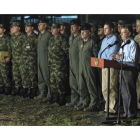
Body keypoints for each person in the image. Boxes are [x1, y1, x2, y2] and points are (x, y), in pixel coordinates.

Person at [112, 24, 139, 119]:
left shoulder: (132, 44)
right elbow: (121, 57)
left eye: (123, 33)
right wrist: (117, 57)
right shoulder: (123, 44)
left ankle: (132, 113)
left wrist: (121, 57)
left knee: (130, 91)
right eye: (121, 33)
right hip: (122, 69)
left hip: (130, 70)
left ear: (129, 33)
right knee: (123, 91)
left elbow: (132, 60)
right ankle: (126, 112)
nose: (121, 35)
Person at [98, 21, 120, 114]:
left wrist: (104, 59)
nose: (105, 30)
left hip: (110, 66)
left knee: (111, 87)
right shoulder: (104, 39)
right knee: (104, 88)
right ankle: (107, 107)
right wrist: (99, 59)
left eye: (106, 28)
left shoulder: (115, 39)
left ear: (111, 29)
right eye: (104, 28)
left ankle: (112, 108)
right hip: (103, 65)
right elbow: (100, 52)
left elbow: (112, 54)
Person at [76, 23, 99, 111]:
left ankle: (93, 104)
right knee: (82, 86)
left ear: (89, 33)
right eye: (81, 32)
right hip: (81, 67)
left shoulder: (92, 42)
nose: (82, 33)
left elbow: (96, 56)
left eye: (84, 32)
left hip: (89, 68)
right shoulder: (80, 43)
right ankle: (85, 102)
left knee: (91, 85)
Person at [47, 23, 68, 106]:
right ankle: (55, 96)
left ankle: (62, 97)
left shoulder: (62, 39)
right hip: (52, 64)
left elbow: (66, 52)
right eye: (51, 29)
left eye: (54, 28)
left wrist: (61, 61)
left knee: (60, 81)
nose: (52, 30)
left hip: (59, 65)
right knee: (52, 81)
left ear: (58, 29)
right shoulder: (51, 39)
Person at [65, 19, 82, 107]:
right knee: (72, 82)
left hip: (78, 63)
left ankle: (82, 101)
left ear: (78, 28)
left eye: (74, 26)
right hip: (71, 62)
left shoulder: (80, 37)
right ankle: (74, 100)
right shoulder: (71, 37)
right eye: (71, 26)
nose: (72, 28)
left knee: (80, 83)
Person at [19, 22, 38, 99]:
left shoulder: (35, 37)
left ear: (32, 28)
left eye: (28, 26)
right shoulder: (24, 37)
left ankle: (33, 90)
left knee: (32, 75)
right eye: (25, 26)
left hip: (31, 60)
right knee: (25, 75)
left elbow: (37, 49)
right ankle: (26, 89)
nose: (26, 28)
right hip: (24, 60)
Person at [35, 19, 52, 101]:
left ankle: (50, 94)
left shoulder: (48, 35)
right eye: (38, 24)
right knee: (40, 76)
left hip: (45, 58)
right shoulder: (39, 35)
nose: (38, 26)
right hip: (39, 58)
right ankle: (42, 93)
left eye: (40, 24)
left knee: (47, 76)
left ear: (45, 26)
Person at [10, 21, 25, 96]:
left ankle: (24, 89)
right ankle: (17, 88)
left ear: (18, 28)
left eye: (14, 26)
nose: (13, 28)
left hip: (21, 59)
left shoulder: (23, 36)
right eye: (12, 26)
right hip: (14, 59)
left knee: (22, 74)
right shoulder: (13, 37)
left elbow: (25, 48)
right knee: (16, 75)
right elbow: (11, 48)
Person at [0, 23, 12, 95]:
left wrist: (9, 57)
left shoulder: (7, 38)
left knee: (5, 73)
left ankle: (8, 88)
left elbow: (10, 49)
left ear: (4, 30)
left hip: (4, 55)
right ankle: (1, 87)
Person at [134, 19, 140, 109]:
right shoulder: (136, 38)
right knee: (137, 85)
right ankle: (138, 105)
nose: (136, 27)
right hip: (137, 65)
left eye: (138, 26)